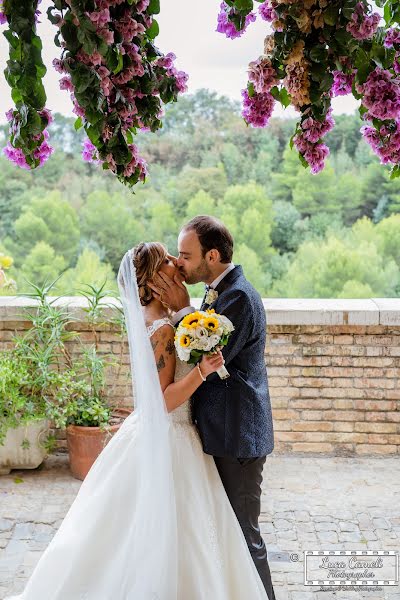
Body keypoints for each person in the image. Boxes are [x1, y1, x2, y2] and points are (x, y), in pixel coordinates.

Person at [5, 241, 270, 600]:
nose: (177, 263)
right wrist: (202, 372)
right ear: (156, 277)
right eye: (168, 261)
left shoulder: (162, 321)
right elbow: (163, 400)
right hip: (170, 433)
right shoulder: (160, 329)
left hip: (167, 433)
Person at [148, 216, 276, 600]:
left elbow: (206, 352)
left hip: (238, 434)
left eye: (185, 256)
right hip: (219, 430)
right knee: (222, 533)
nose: (178, 263)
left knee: (243, 534)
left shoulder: (236, 295)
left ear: (213, 255)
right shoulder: (216, 290)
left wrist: (183, 309)